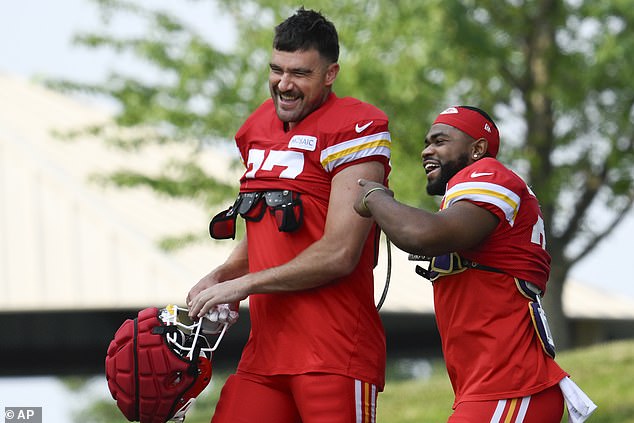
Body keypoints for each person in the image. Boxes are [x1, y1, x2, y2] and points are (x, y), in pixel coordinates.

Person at [186, 8, 391, 423]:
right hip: (265, 352)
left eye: (300, 73)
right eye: (276, 69)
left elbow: (339, 253)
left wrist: (244, 284)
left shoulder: (356, 125)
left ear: (331, 74)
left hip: (333, 351)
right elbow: (264, 223)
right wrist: (224, 275)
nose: (284, 83)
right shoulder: (256, 126)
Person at [353, 106, 596, 422]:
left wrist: (375, 195)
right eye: (427, 142)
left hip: (510, 388)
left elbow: (421, 234)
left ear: (478, 149)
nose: (427, 150)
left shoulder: (489, 174)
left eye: (440, 141)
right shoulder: (466, 195)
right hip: (490, 390)